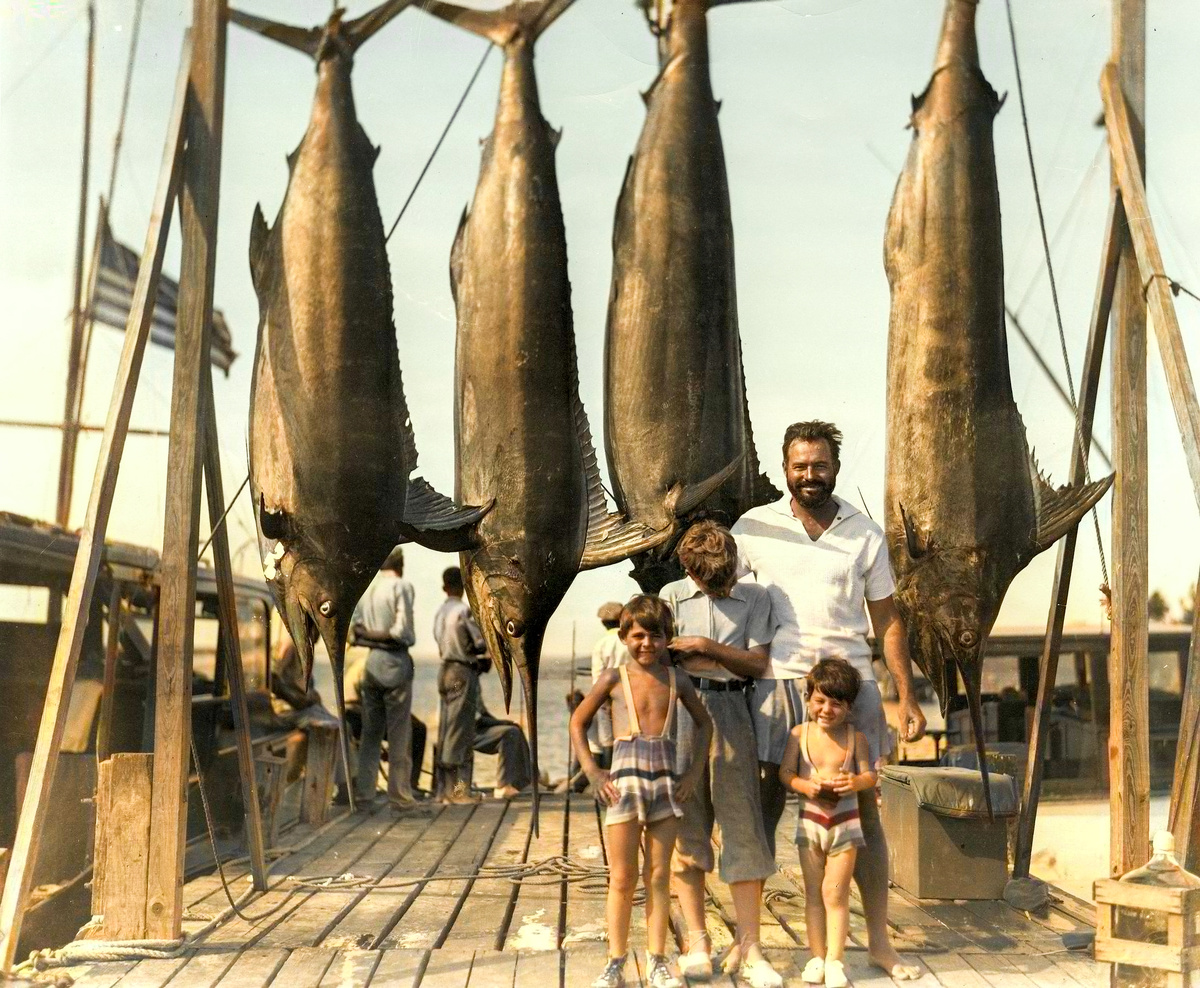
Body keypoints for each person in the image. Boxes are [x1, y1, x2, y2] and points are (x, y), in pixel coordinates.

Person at [732, 420, 926, 980]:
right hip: (777, 683)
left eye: (819, 466)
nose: (809, 476)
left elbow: (887, 618)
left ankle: (880, 943)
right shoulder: (754, 527)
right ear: (785, 468)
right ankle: (752, 945)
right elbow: (727, 599)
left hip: (852, 686)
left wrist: (906, 694)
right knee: (764, 808)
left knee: (864, 815)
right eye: (800, 466)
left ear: (835, 468)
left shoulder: (865, 532)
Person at [659, 521, 782, 988]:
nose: (719, 586)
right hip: (681, 713)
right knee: (688, 825)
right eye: (708, 579)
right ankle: (697, 941)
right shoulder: (670, 597)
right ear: (688, 569)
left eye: (725, 577)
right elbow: (660, 656)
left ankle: (750, 945)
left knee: (743, 824)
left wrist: (706, 649)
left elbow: (758, 662)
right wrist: (700, 657)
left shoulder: (755, 598)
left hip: (733, 709)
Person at [570, 596, 712, 988]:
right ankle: (615, 961)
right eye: (637, 635)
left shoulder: (677, 680)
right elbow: (578, 722)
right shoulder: (613, 678)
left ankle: (657, 960)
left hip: (664, 788)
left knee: (660, 875)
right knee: (621, 877)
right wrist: (592, 771)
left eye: (655, 635)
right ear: (623, 636)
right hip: (624, 788)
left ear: (668, 638)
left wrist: (692, 774)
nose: (646, 643)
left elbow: (705, 726)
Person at [779, 659, 878, 988]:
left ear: (849, 707)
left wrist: (855, 782)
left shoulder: (856, 738)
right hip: (811, 824)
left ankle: (836, 960)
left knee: (834, 893)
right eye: (819, 700)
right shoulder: (799, 734)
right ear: (808, 699)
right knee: (812, 893)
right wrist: (804, 786)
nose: (827, 709)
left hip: (845, 825)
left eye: (837, 703)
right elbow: (786, 774)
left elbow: (870, 775)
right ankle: (817, 957)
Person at [349, 546, 418, 809]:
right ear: (400, 563)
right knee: (400, 732)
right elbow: (402, 632)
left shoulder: (369, 589)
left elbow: (356, 631)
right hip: (395, 664)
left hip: (372, 664)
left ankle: (365, 794)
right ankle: (399, 795)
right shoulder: (401, 586)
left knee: (371, 733)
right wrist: (385, 637)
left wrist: (370, 636)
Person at [432, 566, 488, 801]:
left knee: (446, 729)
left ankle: (443, 791)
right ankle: (459, 792)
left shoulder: (441, 612)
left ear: (445, 587)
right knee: (460, 733)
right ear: (463, 587)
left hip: (444, 670)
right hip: (461, 672)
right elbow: (480, 643)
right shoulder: (464, 611)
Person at [589, 601, 626, 769]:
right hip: (629, 694)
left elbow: (597, 678)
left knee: (607, 738)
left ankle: (609, 780)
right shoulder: (628, 641)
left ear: (603, 623)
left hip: (606, 696)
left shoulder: (601, 644)